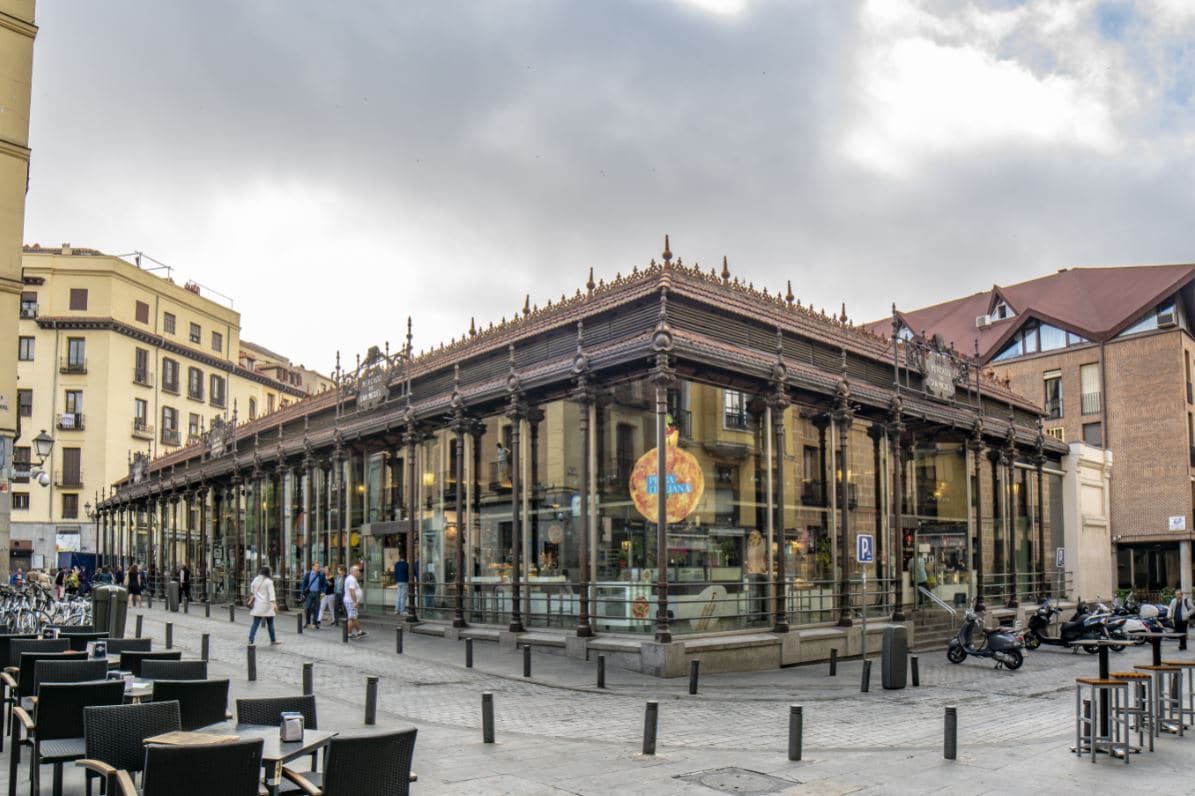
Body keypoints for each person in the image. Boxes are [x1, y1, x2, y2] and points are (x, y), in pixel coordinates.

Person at [248, 566, 281, 646]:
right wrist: (274, 604)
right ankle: (273, 640)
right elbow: (271, 594)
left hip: (258, 605)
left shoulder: (255, 579)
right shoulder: (269, 581)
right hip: (267, 605)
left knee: (255, 623)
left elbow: (252, 590)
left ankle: (250, 640)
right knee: (270, 623)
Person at [299, 562, 326, 629]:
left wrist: (323, 591)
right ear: (313, 567)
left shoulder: (321, 575)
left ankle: (314, 623)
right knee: (308, 608)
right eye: (316, 566)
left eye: (318, 566)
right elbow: (304, 583)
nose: (318, 568)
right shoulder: (308, 574)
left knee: (316, 608)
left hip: (317, 593)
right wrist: (302, 592)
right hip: (309, 593)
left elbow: (324, 584)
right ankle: (308, 623)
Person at [344, 565, 366, 639]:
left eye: (359, 570)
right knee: (352, 618)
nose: (359, 572)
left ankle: (359, 631)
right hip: (351, 601)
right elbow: (352, 591)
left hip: (350, 601)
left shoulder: (351, 578)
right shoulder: (352, 579)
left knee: (354, 617)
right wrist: (355, 602)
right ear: (353, 571)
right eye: (357, 570)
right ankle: (349, 634)